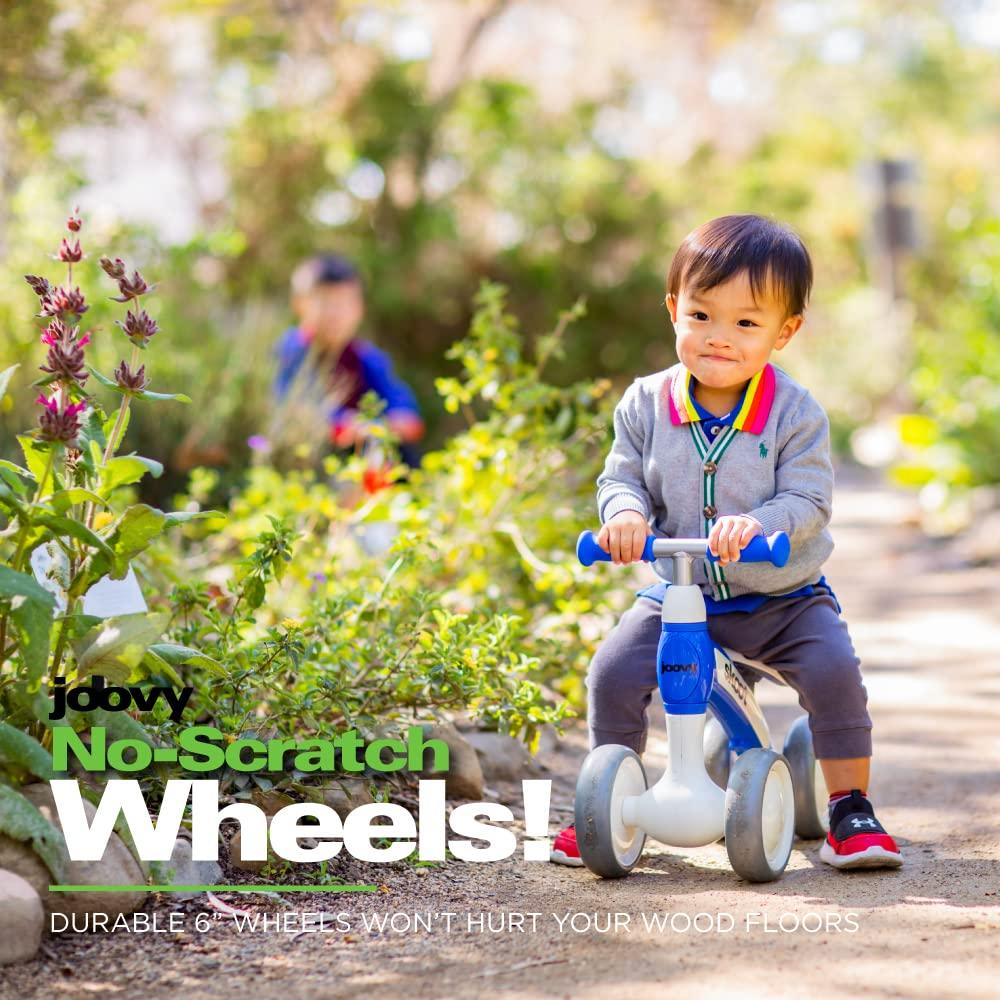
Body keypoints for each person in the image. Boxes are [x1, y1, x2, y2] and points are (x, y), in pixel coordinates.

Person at [551, 214, 903, 871]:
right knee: (614, 672)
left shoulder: (796, 414)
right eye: (702, 315)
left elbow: (809, 499)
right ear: (674, 310)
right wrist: (624, 516)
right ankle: (608, 794)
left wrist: (763, 523)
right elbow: (620, 477)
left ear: (784, 332)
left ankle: (851, 808)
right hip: (680, 594)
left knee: (833, 675)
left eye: (746, 323)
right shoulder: (645, 404)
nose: (719, 337)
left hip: (781, 597)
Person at [272, 253, 424, 470]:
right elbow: (294, 413)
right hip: (309, 463)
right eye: (324, 302)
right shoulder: (289, 354)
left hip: (362, 456)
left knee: (400, 454)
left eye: (345, 302)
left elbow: (407, 416)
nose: (336, 313)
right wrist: (344, 425)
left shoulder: (366, 358)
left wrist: (375, 427)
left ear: (360, 308)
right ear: (299, 304)